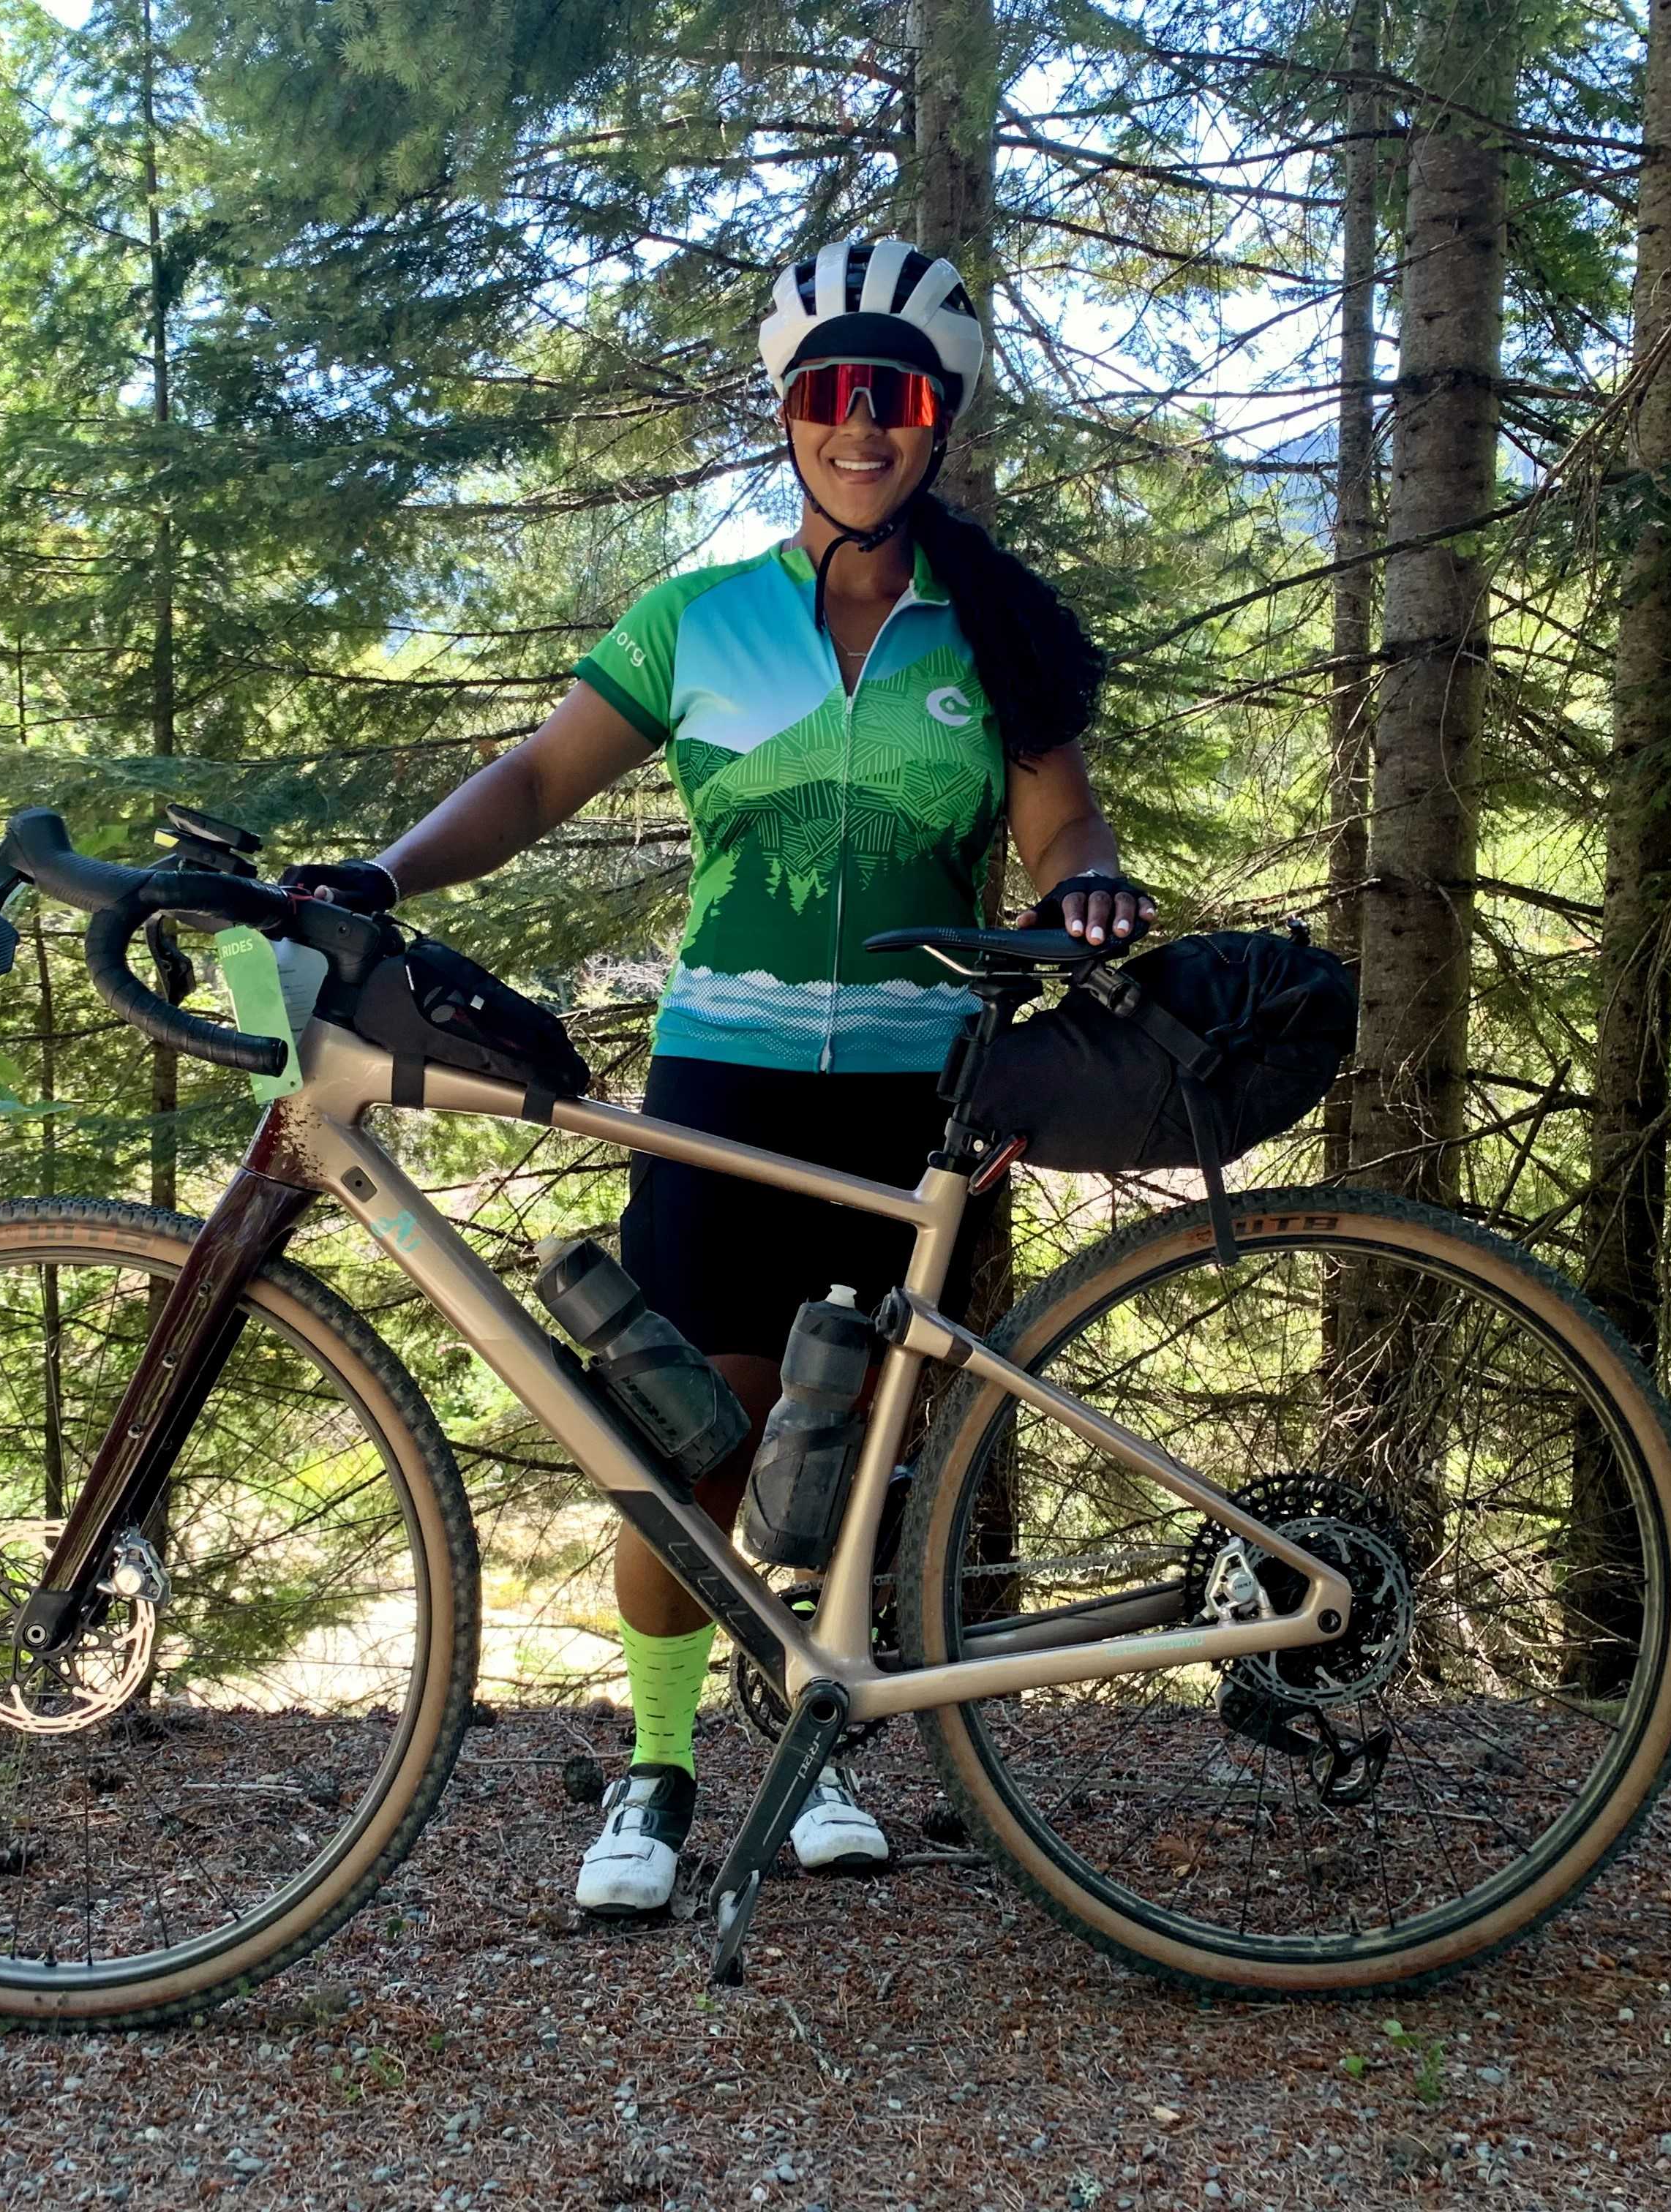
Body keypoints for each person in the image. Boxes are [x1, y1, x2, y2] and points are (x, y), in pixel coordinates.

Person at [288, 237, 1152, 1916]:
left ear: (939, 422)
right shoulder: (700, 620)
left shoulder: (991, 636)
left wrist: (1087, 890)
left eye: (895, 397)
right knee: (690, 1438)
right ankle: (659, 1766)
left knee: (853, 1446)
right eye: (832, 390)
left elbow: (1064, 826)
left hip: (912, 1093)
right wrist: (384, 875)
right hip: (721, 1085)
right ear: (788, 413)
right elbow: (538, 779)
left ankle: (821, 1751)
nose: (862, 422)